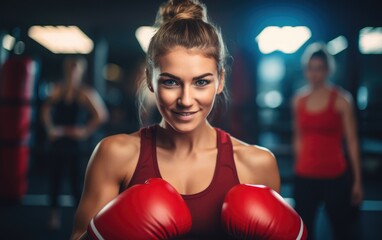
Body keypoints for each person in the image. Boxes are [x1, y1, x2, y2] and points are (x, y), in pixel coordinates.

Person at [70, 1, 283, 239]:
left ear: (220, 80)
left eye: (201, 82)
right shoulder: (115, 154)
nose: (186, 100)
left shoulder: (257, 164)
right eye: (170, 81)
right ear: (150, 80)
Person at [292, 43, 363, 240]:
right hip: (305, 175)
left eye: (319, 69)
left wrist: (357, 181)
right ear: (306, 70)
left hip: (335, 175)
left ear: (328, 70)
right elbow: (298, 138)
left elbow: (352, 142)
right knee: (303, 232)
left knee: (342, 231)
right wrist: (298, 167)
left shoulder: (342, 100)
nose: (315, 74)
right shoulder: (298, 100)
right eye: (311, 69)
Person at [41, 56, 109, 230]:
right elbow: (45, 109)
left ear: (81, 71)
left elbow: (101, 115)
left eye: (75, 68)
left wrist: (84, 131)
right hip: (59, 141)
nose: (73, 71)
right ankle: (53, 217)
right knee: (55, 179)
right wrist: (50, 129)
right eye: (70, 68)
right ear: (66, 70)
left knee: (77, 182)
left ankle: (80, 218)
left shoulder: (85, 93)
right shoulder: (58, 90)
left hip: (75, 144)